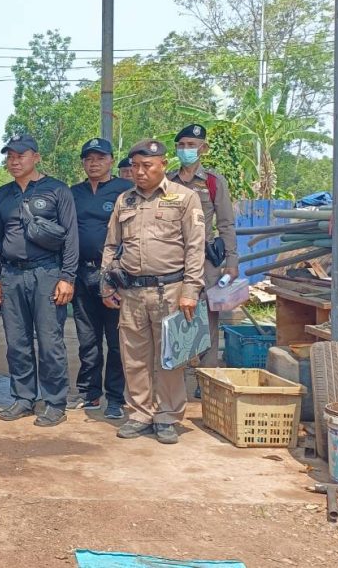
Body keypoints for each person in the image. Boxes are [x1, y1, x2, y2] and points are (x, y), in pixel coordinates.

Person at [102, 139, 205, 444]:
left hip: (171, 290)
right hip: (132, 292)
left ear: (163, 165)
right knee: (134, 356)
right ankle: (140, 413)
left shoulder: (184, 198)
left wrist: (191, 290)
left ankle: (167, 416)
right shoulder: (125, 201)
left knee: (170, 357)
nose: (139, 172)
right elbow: (111, 245)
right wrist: (107, 283)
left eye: (146, 165)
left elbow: (195, 248)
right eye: (135, 166)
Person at [0, 132, 78, 428]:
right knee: (17, 341)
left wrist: (67, 277)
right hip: (11, 275)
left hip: (47, 273)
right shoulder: (2, 194)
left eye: (21, 156)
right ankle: (23, 398)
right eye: (10, 157)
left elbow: (71, 237)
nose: (14, 161)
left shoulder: (57, 190)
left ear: (36, 157)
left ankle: (54, 402)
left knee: (50, 342)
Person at [68, 138, 132, 419]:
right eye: (88, 159)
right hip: (82, 273)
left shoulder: (124, 190)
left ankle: (116, 397)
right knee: (87, 338)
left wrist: (119, 271)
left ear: (111, 160)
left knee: (116, 340)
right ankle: (90, 393)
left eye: (100, 158)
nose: (94, 163)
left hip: (114, 275)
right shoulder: (74, 193)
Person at [169, 124, 237, 368]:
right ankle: (176, 374)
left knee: (207, 320)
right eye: (181, 145)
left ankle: (207, 377)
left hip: (205, 260)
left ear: (203, 148)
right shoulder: (168, 181)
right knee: (175, 318)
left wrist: (232, 262)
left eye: (191, 145)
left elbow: (226, 223)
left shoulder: (213, 182)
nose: (185, 149)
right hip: (173, 260)